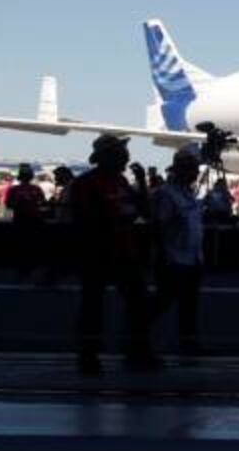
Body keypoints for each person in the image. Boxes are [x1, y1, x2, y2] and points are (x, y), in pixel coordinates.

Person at [68, 133, 158, 373]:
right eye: (120, 153)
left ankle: (138, 351)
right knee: (93, 306)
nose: (125, 157)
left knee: (138, 303)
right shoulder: (85, 184)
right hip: (97, 254)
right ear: (106, 157)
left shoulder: (121, 182)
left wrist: (141, 182)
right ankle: (88, 356)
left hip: (125, 253)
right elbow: (84, 221)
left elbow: (144, 212)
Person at [151, 147, 206, 355]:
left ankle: (189, 343)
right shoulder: (166, 194)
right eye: (192, 169)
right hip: (174, 259)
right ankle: (137, 336)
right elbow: (159, 226)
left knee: (189, 305)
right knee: (162, 302)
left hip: (192, 259)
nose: (195, 173)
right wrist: (163, 255)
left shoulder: (188, 193)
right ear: (181, 170)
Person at [5, 163, 48, 280]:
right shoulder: (36, 189)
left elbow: (8, 204)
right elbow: (43, 203)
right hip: (34, 219)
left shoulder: (14, 189)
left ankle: (22, 268)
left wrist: (20, 204)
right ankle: (31, 267)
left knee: (20, 244)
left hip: (20, 219)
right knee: (32, 244)